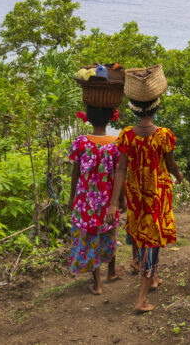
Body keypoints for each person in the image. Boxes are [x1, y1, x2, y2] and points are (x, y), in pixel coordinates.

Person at [107, 65, 182, 313]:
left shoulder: (127, 135)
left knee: (142, 237)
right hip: (157, 196)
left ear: (133, 108)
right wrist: (179, 174)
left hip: (136, 196)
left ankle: (154, 278)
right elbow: (170, 164)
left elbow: (120, 170)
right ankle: (141, 299)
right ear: (156, 107)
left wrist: (114, 202)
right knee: (153, 243)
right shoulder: (163, 135)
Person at [68, 105, 122, 294]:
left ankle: (97, 284)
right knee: (109, 234)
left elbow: (75, 174)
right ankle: (112, 272)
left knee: (91, 238)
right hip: (108, 201)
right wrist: (120, 201)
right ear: (110, 119)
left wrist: (71, 198)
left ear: (88, 118)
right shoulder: (116, 144)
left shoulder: (80, 142)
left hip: (86, 202)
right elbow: (119, 175)